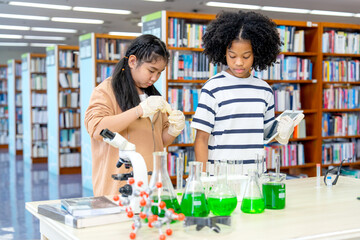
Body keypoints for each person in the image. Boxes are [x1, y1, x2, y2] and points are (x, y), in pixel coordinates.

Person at [191, 11, 300, 172]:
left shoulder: (265, 90)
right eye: (232, 56)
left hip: (255, 176)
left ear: (257, 53)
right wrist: (203, 179)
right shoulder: (213, 88)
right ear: (223, 53)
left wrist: (282, 133)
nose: (239, 63)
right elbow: (201, 139)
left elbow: (264, 135)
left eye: (246, 56)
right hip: (221, 180)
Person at [85, 34, 185, 196]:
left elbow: (160, 142)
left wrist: (174, 129)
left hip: (152, 186)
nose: (154, 78)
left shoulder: (153, 96)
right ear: (132, 61)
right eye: (151, 70)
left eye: (159, 72)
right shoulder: (106, 91)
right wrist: (138, 111)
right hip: (119, 187)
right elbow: (97, 130)